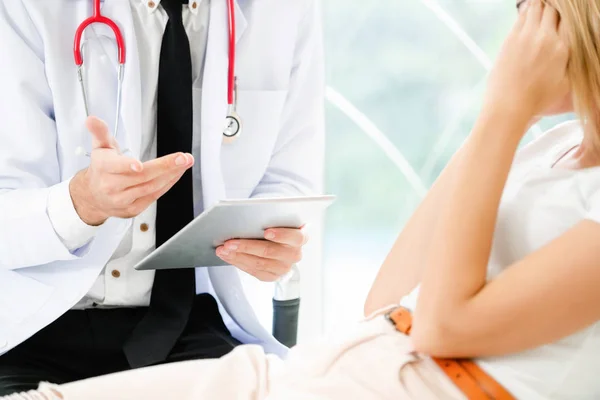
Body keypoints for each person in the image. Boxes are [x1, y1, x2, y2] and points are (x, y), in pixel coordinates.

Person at [5, 0, 600, 398]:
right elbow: (388, 300)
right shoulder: (545, 145)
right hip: (37, 323)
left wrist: (505, 110)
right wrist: (80, 203)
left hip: (243, 349)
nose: (522, 25)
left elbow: (440, 326)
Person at [0, 0, 324, 395]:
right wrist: (82, 204)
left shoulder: (284, 11)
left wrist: (274, 240)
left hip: (182, 320)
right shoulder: (23, 8)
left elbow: (287, 179)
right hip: (29, 325)